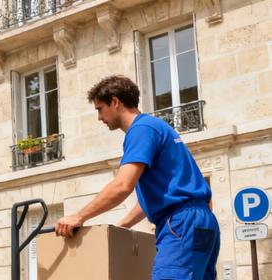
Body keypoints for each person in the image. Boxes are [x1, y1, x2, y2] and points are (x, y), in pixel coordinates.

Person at [55, 75, 220, 279]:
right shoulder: (157, 127)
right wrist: (123, 225)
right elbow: (157, 196)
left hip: (180, 223)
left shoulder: (141, 130)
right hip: (201, 222)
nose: (99, 118)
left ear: (114, 102)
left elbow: (123, 185)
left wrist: (78, 216)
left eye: (99, 109)